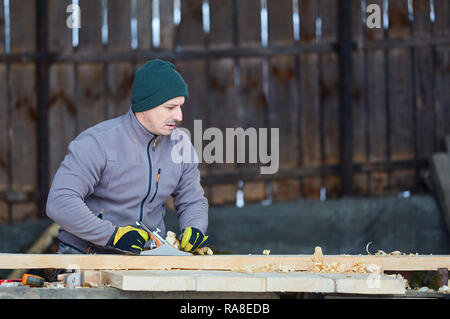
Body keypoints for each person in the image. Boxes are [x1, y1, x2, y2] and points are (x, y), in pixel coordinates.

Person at [46, 59, 209, 257]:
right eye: (170, 107)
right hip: (87, 255)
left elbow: (192, 200)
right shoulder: (97, 142)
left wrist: (195, 227)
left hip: (146, 258)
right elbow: (60, 201)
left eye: (180, 106)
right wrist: (112, 235)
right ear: (146, 104)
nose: (179, 115)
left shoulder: (181, 145)